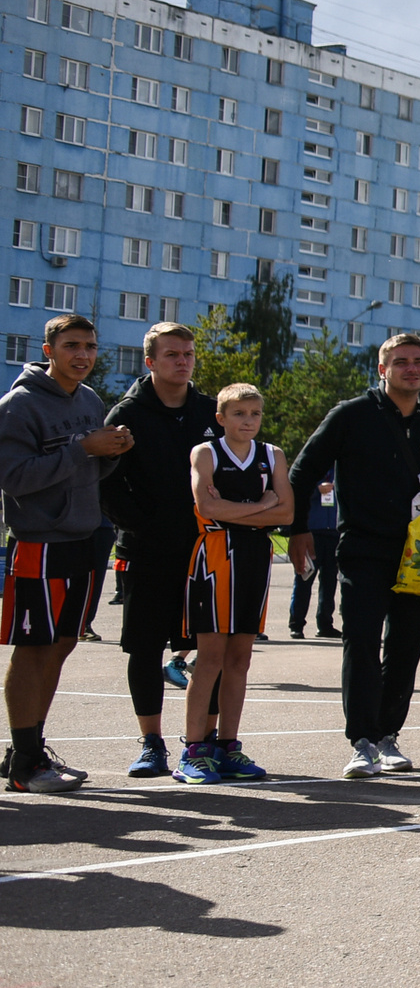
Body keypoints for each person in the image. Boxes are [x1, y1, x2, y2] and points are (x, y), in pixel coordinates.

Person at [288, 333, 420, 779]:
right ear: (382, 369)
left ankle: (388, 737)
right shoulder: (350, 416)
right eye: (400, 361)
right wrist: (297, 531)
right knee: (361, 641)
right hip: (363, 547)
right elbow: (302, 472)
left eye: (419, 361)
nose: (411, 368)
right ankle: (361, 741)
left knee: (405, 646)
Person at [1, 314, 131, 792]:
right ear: (49, 349)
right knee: (34, 648)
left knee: (62, 645)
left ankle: (27, 749)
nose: (83, 355)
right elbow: (14, 479)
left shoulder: (90, 399)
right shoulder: (20, 405)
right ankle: (26, 765)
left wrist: (111, 453)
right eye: (72, 345)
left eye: (91, 347)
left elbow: (85, 471)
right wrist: (83, 448)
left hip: (84, 537)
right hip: (40, 543)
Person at [98, 321, 217, 778]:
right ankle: (152, 744)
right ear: (150, 361)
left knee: (211, 649)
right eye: (172, 354)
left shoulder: (211, 412)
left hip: (204, 550)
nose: (182, 361)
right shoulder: (127, 414)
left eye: (188, 353)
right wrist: (141, 524)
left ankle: (202, 744)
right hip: (146, 550)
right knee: (144, 650)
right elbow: (107, 484)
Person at [173, 382, 291, 784]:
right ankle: (193, 750)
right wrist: (262, 506)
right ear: (221, 418)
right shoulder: (205, 452)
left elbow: (288, 512)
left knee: (240, 657)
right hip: (215, 556)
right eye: (239, 413)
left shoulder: (272, 454)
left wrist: (237, 511)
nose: (249, 420)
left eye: (255, 413)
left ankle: (227, 745)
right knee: (209, 657)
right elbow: (205, 507)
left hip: (257, 557)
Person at [289, 478, 340, 640]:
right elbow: (296, 491)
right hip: (311, 532)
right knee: (304, 578)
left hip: (334, 532)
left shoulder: (339, 468)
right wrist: (316, 490)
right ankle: (296, 624)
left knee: (330, 581)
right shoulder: (311, 470)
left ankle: (325, 624)